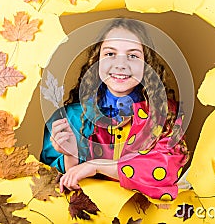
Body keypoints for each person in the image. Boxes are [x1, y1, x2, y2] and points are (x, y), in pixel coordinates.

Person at [40, 18, 188, 201]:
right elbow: (56, 191)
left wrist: (97, 165)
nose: (120, 64)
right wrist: (71, 155)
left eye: (133, 56)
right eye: (110, 54)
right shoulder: (70, 118)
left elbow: (165, 170)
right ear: (97, 61)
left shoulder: (167, 117)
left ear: (146, 65)